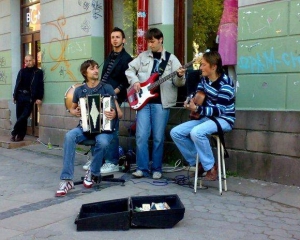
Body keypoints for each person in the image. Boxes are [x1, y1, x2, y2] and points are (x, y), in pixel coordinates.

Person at [125, 28, 186, 179]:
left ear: (161, 39)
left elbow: (179, 83)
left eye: (152, 41)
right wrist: (136, 82)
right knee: (141, 135)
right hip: (144, 102)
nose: (150, 45)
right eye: (148, 42)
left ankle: (157, 168)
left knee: (159, 137)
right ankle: (142, 168)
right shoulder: (142, 56)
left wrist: (179, 76)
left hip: (162, 103)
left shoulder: (172, 59)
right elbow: (129, 70)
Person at [55, 59, 122, 197]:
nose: (96, 70)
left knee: (103, 142)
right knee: (69, 136)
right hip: (85, 128)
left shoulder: (107, 88)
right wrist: (76, 112)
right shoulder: (80, 90)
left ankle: (93, 171)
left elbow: (120, 113)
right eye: (92, 68)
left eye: (97, 68)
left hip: (105, 129)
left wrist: (114, 113)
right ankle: (67, 179)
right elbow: (72, 109)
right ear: (85, 72)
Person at [170, 51, 235, 181]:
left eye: (203, 65)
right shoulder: (204, 80)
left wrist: (198, 108)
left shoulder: (226, 83)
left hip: (224, 119)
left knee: (196, 132)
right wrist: (190, 101)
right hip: (207, 118)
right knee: (176, 132)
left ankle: (211, 167)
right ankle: (199, 162)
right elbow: (197, 95)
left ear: (214, 66)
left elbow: (220, 110)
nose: (200, 68)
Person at [82, 27, 132, 174]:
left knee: (111, 130)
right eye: (112, 37)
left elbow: (126, 82)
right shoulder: (109, 56)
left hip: (112, 96)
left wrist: (112, 93)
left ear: (123, 40)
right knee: (95, 127)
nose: (114, 39)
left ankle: (112, 162)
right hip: (100, 94)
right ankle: (97, 159)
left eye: (117, 37)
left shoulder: (127, 59)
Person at [11, 54, 44, 142]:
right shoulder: (22, 71)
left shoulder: (38, 72)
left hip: (30, 97)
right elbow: (17, 83)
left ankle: (14, 132)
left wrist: (39, 98)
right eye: (26, 61)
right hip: (20, 96)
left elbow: (40, 85)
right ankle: (20, 135)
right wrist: (14, 95)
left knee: (24, 116)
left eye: (30, 61)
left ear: (33, 61)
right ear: (24, 62)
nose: (28, 63)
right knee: (19, 116)